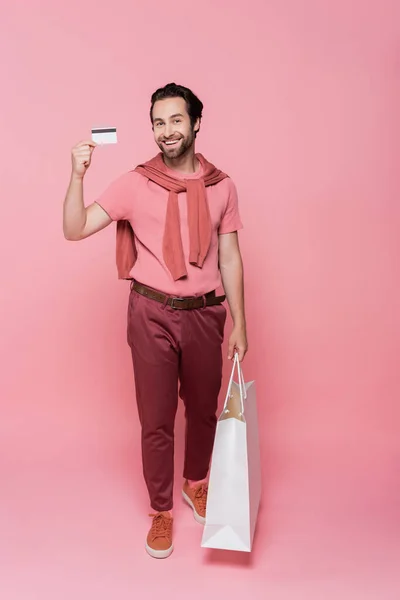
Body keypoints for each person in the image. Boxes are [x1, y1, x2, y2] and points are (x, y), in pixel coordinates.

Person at [63, 83, 248, 559]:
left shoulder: (222, 185)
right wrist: (77, 175)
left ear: (196, 123)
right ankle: (161, 510)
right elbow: (75, 228)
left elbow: (230, 255)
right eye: (158, 123)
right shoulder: (133, 182)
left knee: (204, 410)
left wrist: (241, 323)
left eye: (176, 120)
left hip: (207, 312)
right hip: (150, 313)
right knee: (156, 419)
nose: (166, 131)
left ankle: (196, 483)